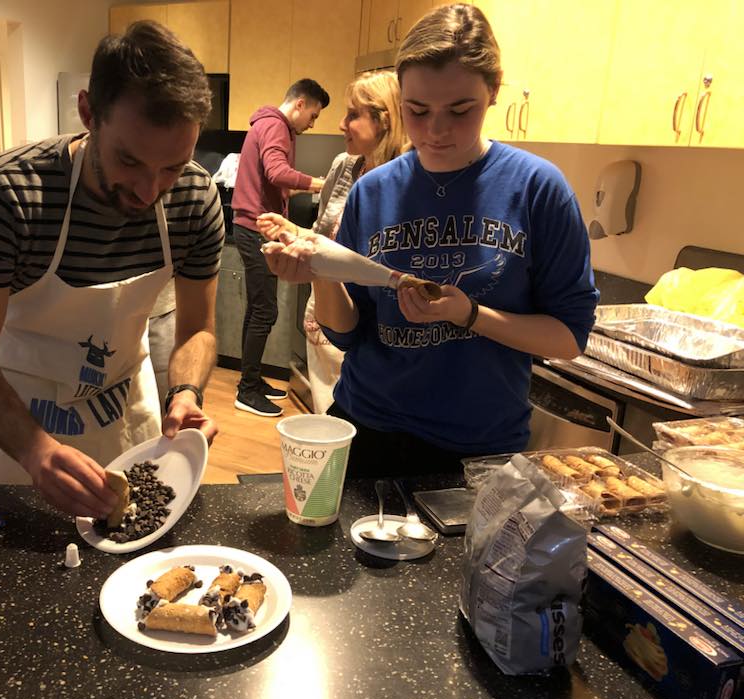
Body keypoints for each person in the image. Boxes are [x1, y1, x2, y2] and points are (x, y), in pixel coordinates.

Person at [259, 3, 599, 479]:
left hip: (477, 451)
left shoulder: (538, 189)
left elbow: (569, 338)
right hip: (366, 428)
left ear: (493, 92)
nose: (436, 131)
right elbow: (347, 332)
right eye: (417, 111)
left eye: (461, 110)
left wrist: (470, 314)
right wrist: (319, 272)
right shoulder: (372, 191)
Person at [0, 21, 224, 517]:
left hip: (123, 405)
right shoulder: (7, 194)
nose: (149, 189)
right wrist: (37, 451)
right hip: (22, 413)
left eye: (173, 167)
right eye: (129, 161)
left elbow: (198, 329)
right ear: (87, 113)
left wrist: (186, 391)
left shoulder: (195, 198)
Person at [258, 70, 407, 414]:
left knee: (356, 417)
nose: (341, 124)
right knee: (326, 413)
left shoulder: (405, 186)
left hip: (372, 328)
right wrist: (293, 231)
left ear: (385, 121)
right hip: (326, 309)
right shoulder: (344, 167)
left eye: (353, 115)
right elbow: (325, 239)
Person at [231, 78, 330, 417]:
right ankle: (247, 390)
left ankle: (252, 381)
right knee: (264, 311)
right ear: (300, 104)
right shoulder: (275, 124)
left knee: (257, 309)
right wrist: (321, 183)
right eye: (313, 115)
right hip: (257, 229)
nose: (312, 124)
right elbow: (277, 172)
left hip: (251, 226)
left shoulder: (268, 124)